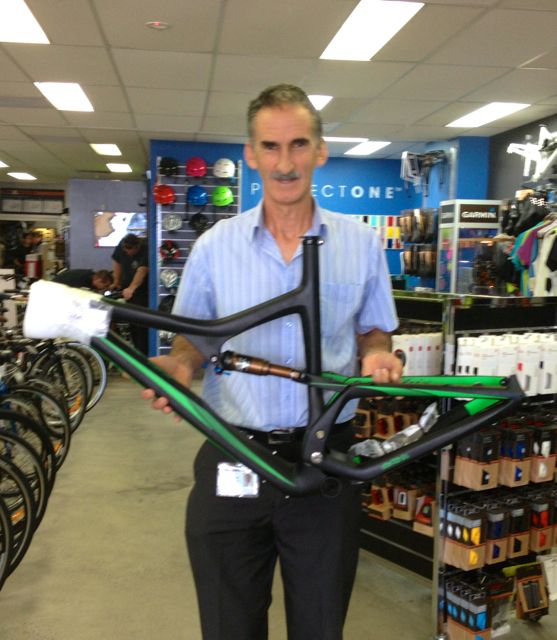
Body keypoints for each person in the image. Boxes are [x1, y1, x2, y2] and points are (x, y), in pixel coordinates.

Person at [143, 84, 403, 640]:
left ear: (320, 150)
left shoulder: (360, 243)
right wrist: (181, 366)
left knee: (320, 625)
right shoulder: (215, 246)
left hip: (326, 462)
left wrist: (378, 351)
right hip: (234, 453)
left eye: (298, 144)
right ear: (251, 154)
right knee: (229, 623)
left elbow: (372, 328)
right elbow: (194, 337)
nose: (285, 163)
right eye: (271, 146)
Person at [111, 233, 149, 354]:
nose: (126, 252)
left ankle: (143, 354)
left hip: (142, 292)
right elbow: (117, 261)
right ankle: (135, 351)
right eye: (125, 249)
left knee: (141, 327)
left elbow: (142, 270)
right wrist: (116, 281)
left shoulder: (146, 249)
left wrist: (131, 288)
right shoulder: (122, 245)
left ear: (137, 247)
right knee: (132, 323)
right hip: (127, 292)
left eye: (129, 249)